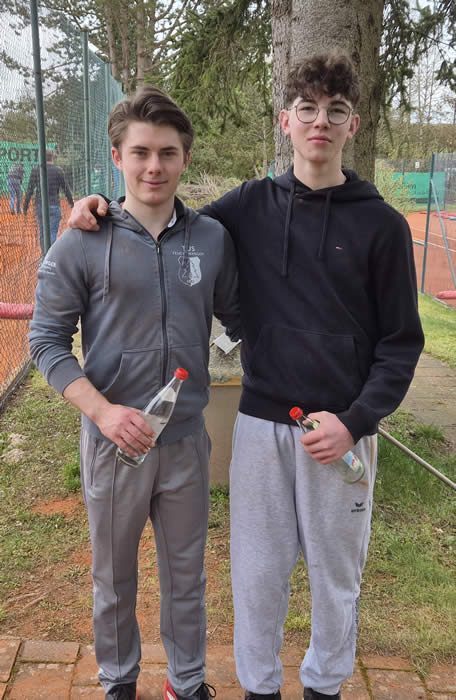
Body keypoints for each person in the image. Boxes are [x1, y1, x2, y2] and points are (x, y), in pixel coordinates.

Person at [67, 53, 425, 700]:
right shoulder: (248, 207)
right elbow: (167, 219)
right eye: (307, 109)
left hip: (339, 433)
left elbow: (401, 344)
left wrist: (356, 422)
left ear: (353, 123)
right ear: (285, 121)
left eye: (336, 111)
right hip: (261, 424)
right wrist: (102, 207)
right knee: (257, 578)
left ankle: (324, 687)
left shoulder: (383, 226)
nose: (320, 122)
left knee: (336, 579)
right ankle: (259, 688)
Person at [29, 87, 240, 700]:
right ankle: (118, 681)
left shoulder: (211, 239)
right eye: (141, 152)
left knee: (186, 576)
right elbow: (45, 342)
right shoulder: (82, 239)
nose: (154, 167)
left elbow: (245, 320)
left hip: (186, 443)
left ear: (185, 159)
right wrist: (102, 412)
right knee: (114, 578)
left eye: (168, 153)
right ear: (118, 157)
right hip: (113, 445)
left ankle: (187, 682)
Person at [23, 148, 74, 253]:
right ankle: (51, 256)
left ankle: (44, 255)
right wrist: (71, 202)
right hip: (54, 205)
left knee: (43, 232)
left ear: (41, 157)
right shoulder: (58, 170)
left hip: (40, 205)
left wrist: (25, 205)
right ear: (52, 157)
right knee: (52, 232)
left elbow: (30, 190)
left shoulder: (36, 170)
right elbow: (66, 188)